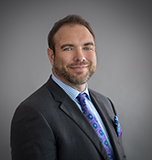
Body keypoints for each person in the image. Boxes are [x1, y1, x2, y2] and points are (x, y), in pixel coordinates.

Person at [10, 15, 126, 160]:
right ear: (52, 56)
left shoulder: (106, 103)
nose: (80, 57)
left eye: (87, 47)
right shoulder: (32, 113)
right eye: (68, 48)